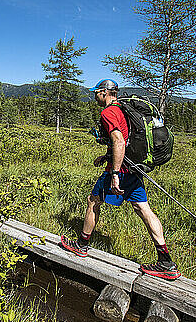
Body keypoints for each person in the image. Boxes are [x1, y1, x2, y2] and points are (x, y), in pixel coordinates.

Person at [60, 79, 181, 280]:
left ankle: (81, 245)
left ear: (104, 92)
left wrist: (114, 173)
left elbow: (119, 141)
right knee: (144, 209)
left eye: (96, 93)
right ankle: (166, 262)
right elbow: (127, 139)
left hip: (121, 171)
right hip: (133, 169)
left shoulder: (108, 112)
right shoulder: (124, 109)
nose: (95, 96)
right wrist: (107, 156)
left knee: (93, 201)